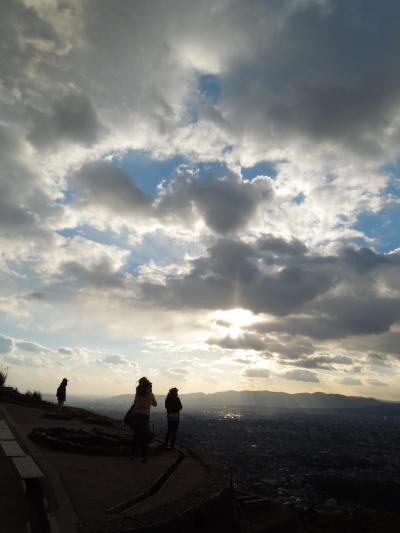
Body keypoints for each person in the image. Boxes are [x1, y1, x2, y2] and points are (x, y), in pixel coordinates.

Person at [130, 377, 157, 462]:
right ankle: (143, 456)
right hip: (145, 417)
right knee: (144, 437)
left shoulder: (137, 394)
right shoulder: (150, 394)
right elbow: (155, 404)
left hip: (136, 416)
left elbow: (135, 404)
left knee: (136, 436)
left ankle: (132, 455)